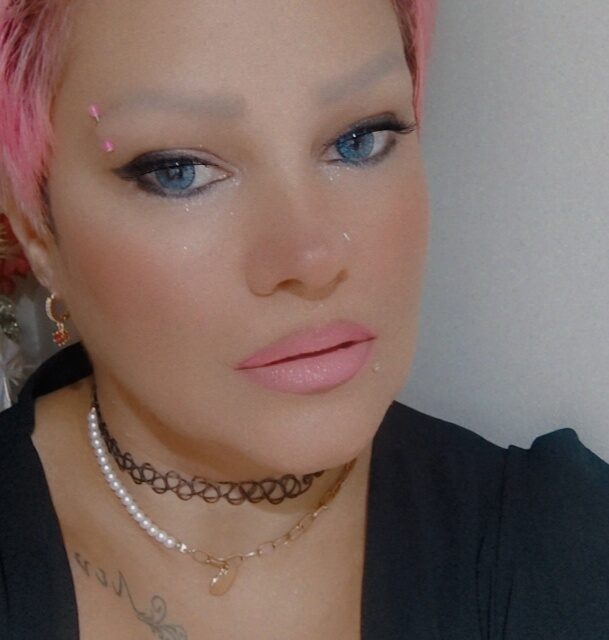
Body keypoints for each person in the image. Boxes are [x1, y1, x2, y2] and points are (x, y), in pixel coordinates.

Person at [1, 1, 608, 638]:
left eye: (359, 140)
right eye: (179, 173)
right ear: (38, 230)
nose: (312, 260)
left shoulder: (562, 547)